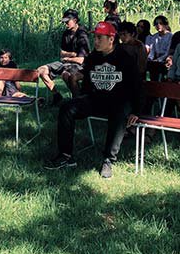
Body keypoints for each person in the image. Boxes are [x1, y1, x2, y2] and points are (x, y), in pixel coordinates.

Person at [44, 22, 141, 179]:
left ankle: (108, 160)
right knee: (67, 108)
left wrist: (136, 110)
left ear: (111, 39)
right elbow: (88, 83)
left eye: (99, 38)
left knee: (119, 114)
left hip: (118, 101)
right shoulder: (93, 57)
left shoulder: (125, 57)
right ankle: (66, 156)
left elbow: (137, 86)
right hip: (96, 99)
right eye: (94, 37)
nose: (95, 41)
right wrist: (83, 98)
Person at [37, 8, 90, 103]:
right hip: (65, 62)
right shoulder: (66, 33)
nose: (65, 24)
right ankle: (56, 95)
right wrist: (72, 55)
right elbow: (61, 53)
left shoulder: (82, 34)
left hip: (79, 66)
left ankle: (77, 101)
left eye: (67, 22)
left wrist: (67, 57)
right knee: (41, 70)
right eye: (64, 22)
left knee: (67, 75)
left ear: (75, 20)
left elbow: (81, 59)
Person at [146, 15, 172, 81]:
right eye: (156, 24)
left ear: (165, 25)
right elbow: (152, 50)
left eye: (161, 23)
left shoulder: (170, 36)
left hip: (165, 60)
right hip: (156, 59)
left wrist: (159, 60)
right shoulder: (154, 37)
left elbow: (167, 52)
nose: (158, 25)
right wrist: (150, 58)